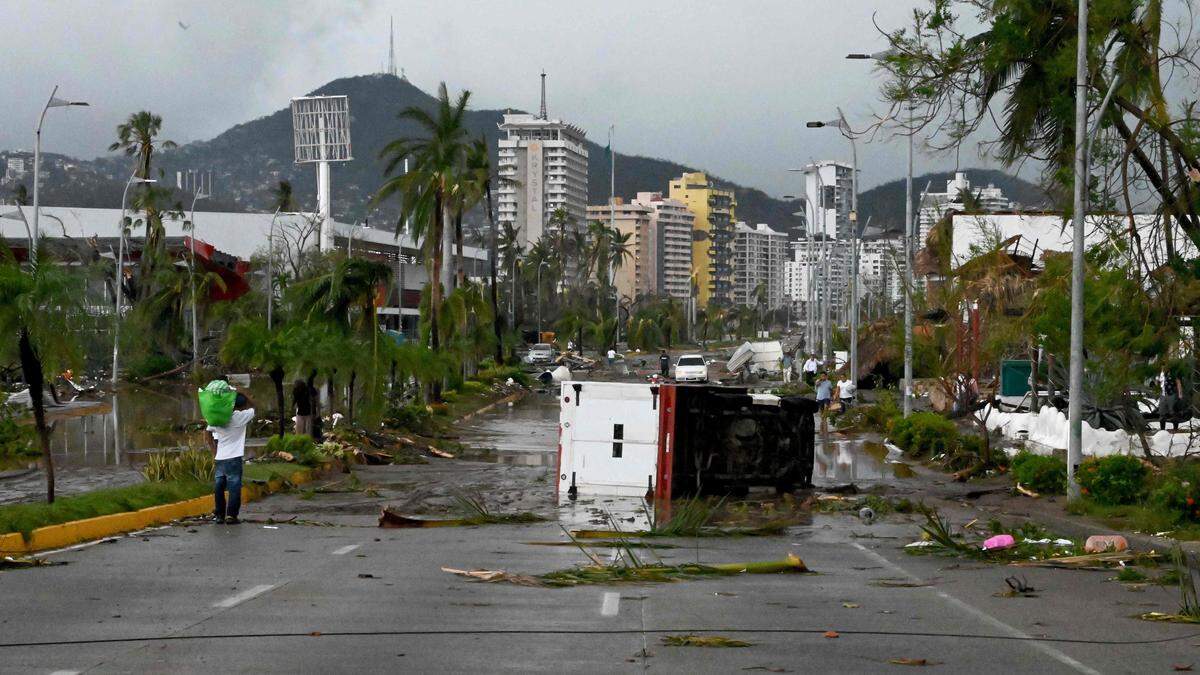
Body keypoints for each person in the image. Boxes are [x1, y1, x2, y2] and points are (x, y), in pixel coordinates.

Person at [206, 392, 255, 524]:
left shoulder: (219, 417)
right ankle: (231, 515)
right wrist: (242, 393)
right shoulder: (240, 417)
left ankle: (220, 515)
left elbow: (208, 432)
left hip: (220, 457)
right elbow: (254, 407)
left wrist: (214, 451)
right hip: (234, 457)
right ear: (240, 406)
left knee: (219, 486)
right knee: (234, 486)